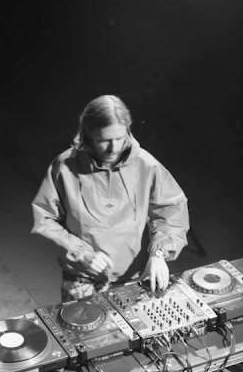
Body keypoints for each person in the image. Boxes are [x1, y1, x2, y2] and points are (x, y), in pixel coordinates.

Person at [31, 94, 190, 302]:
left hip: (136, 277)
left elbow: (172, 210)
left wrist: (159, 253)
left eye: (119, 139)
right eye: (103, 141)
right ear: (88, 134)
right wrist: (80, 252)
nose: (113, 149)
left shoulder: (145, 164)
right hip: (83, 280)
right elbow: (45, 220)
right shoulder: (64, 167)